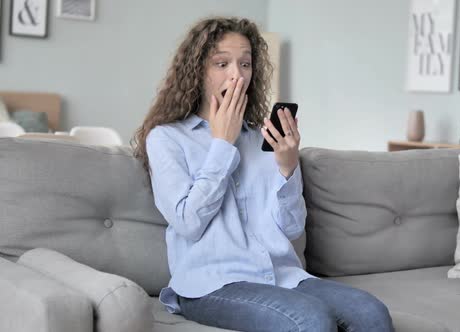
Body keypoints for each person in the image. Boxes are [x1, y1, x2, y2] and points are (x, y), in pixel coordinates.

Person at [133, 16, 395, 332]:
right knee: (310, 321)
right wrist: (222, 143)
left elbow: (291, 227)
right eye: (221, 64)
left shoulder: (264, 139)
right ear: (197, 70)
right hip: (211, 284)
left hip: (282, 276)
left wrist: (287, 167)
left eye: (245, 64)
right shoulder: (167, 138)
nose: (237, 75)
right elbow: (188, 223)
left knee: (372, 313)